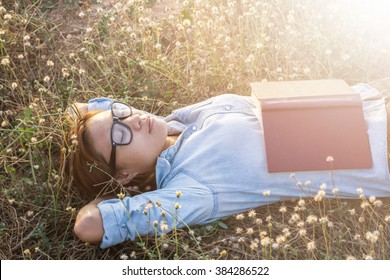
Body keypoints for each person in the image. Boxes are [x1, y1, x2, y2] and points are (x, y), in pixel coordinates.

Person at [66, 80, 390, 249]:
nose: (133, 120)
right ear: (123, 175)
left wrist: (90, 122)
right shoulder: (191, 188)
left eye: (123, 112)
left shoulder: (176, 121)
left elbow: (86, 108)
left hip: (373, 96)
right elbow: (90, 226)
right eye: (120, 134)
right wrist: (108, 196)